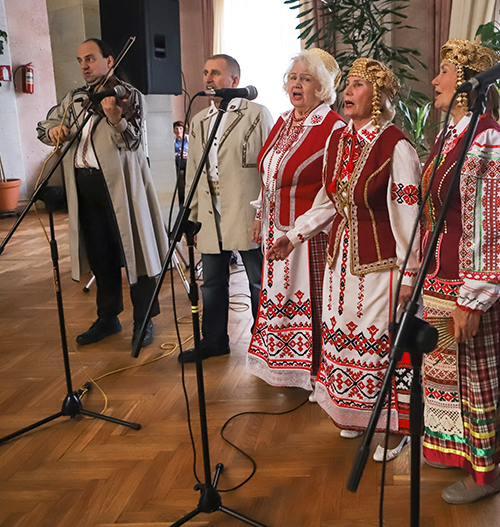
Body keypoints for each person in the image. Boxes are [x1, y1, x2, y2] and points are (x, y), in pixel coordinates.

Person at [268, 58, 420, 462]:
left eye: (356, 86)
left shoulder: (395, 146)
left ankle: (393, 428)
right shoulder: (339, 140)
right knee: (341, 337)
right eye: (347, 84)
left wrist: (410, 273)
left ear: (378, 97)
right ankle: (356, 417)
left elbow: (408, 214)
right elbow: (327, 203)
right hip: (340, 260)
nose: (347, 92)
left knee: (379, 345)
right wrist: (292, 236)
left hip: (382, 265)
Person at [419, 38, 500, 504]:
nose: (435, 80)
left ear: (468, 81)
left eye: (445, 70)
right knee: (449, 379)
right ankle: (453, 450)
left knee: (474, 381)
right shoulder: (453, 136)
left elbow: (491, 224)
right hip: (442, 279)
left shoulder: (487, 138)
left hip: (468, 284)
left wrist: (474, 298)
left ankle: (487, 474)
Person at [37, 38, 167, 350]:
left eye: (91, 58)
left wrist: (115, 119)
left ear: (109, 60)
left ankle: (144, 319)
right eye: (80, 60)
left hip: (122, 190)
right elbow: (45, 127)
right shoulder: (75, 97)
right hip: (84, 187)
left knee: (135, 253)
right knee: (100, 256)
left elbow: (133, 142)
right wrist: (53, 131)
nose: (84, 65)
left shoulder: (128, 95)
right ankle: (108, 317)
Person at [247, 49, 345, 392]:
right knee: (279, 297)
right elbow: (269, 171)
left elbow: (332, 189)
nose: (296, 84)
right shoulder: (285, 119)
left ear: (324, 88)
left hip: (310, 234)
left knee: (312, 302)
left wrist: (301, 229)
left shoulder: (334, 127)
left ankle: (317, 374)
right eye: (293, 77)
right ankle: (284, 364)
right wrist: (261, 214)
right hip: (276, 227)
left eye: (306, 78)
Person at [179, 54, 273, 363]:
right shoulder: (199, 121)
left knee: (257, 280)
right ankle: (214, 340)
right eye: (205, 72)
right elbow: (193, 171)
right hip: (210, 211)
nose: (208, 78)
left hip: (246, 211)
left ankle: (266, 345)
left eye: (216, 73)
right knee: (213, 281)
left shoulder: (256, 114)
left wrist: (264, 213)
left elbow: (270, 169)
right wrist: (190, 216)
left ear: (234, 79)